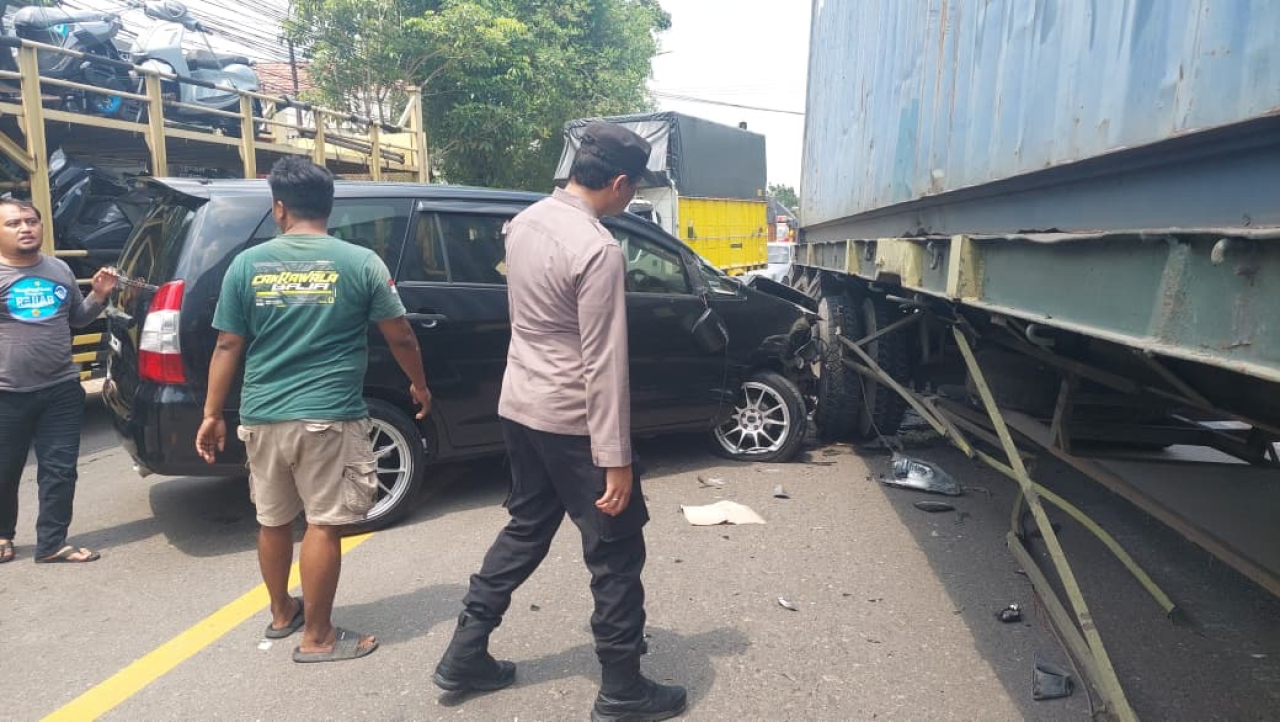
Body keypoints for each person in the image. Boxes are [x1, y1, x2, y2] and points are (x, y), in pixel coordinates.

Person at [432, 122, 687, 721]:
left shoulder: (523, 223)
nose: (629, 199)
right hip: (574, 418)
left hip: (521, 406)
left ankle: (464, 652)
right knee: (616, 548)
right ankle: (623, 688)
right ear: (620, 183)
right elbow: (603, 360)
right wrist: (616, 458)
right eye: (633, 190)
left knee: (526, 526)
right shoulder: (597, 249)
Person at [196, 156, 431, 663]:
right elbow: (401, 334)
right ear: (330, 207)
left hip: (260, 416)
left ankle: (283, 613)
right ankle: (318, 637)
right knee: (324, 523)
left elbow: (227, 346)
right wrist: (419, 386)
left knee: (273, 519)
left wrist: (213, 413)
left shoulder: (246, 264)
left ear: (279, 209)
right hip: (327, 414)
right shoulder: (360, 261)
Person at [0, 199, 117, 564]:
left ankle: (52, 543)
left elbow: (78, 319)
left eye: (31, 220)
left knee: (59, 470)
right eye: (13, 223)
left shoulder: (59, 269)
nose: (25, 228)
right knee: (5, 471)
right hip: (7, 393)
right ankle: (3, 534)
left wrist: (98, 296)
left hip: (61, 390)